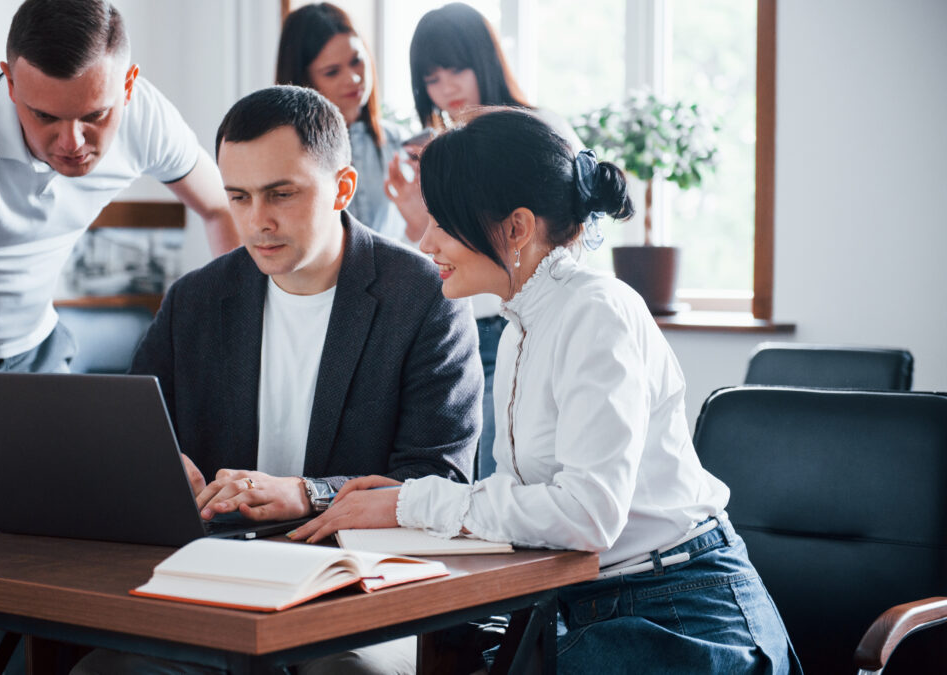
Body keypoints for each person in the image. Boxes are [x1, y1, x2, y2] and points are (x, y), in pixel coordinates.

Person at [292, 108, 803, 674]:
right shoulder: (520, 327)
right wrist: (405, 506)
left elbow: (587, 515)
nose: (422, 238)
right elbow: (532, 500)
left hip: (680, 614)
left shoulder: (597, 312)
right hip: (585, 604)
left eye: (441, 220)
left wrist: (412, 502)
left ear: (516, 228)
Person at [0, 0, 236, 665]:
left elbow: (218, 209)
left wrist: (230, 349)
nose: (73, 142)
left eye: (95, 115)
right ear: (9, 81)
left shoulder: (147, 116)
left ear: (127, 85)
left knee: (68, 570)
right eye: (45, 116)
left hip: (35, 356)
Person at [71, 85, 481, 675]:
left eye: (281, 195)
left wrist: (307, 492)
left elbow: (437, 479)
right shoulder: (195, 299)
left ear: (342, 188)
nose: (257, 221)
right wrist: (161, 471)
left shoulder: (425, 298)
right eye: (237, 196)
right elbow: (130, 434)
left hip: (361, 588)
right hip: (220, 582)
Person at [387, 2, 588, 483]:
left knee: (508, 476)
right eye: (431, 78)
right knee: (467, 476)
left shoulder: (538, 131)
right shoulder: (427, 151)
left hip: (509, 324)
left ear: (487, 59)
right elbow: (422, 256)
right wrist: (420, 219)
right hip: (453, 330)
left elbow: (570, 235)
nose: (446, 88)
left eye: (456, 69)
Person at [276, 3, 408, 242]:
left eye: (357, 60)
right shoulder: (284, 154)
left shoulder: (402, 143)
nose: (354, 78)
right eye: (332, 72)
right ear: (303, 80)